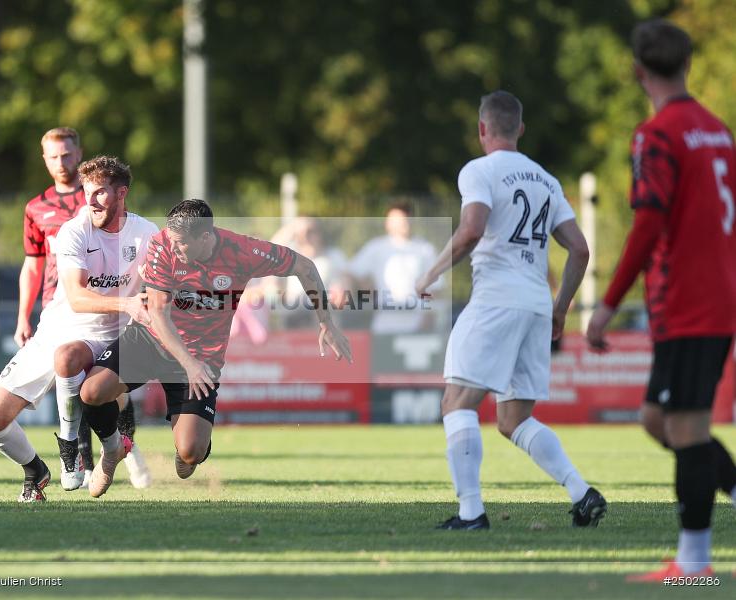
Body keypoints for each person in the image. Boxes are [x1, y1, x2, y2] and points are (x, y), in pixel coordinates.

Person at [586, 20, 736, 581]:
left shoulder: (659, 135)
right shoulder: (717, 131)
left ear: (637, 71)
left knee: (688, 429)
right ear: (688, 65)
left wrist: (607, 303)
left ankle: (694, 561)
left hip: (689, 302)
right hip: (716, 295)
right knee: (658, 420)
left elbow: (648, 225)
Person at [415, 90, 606, 530]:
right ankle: (582, 493)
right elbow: (579, 249)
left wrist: (430, 275)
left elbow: (471, 230)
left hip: (496, 300)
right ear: (520, 129)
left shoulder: (479, 170)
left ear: (482, 128)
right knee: (513, 418)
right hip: (536, 305)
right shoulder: (545, 179)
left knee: (456, 401)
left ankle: (471, 513)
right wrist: (561, 309)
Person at [78, 199, 353, 497]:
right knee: (91, 392)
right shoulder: (162, 245)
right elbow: (158, 314)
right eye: (172, 240)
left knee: (189, 456)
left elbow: (305, 266)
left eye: (182, 243)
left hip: (202, 355)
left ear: (205, 238)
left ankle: (187, 445)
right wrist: (189, 364)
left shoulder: (242, 252)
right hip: (151, 340)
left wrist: (326, 322)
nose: (174, 247)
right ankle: (113, 448)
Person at [0, 155, 157, 501]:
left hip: (111, 337)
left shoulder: (146, 233)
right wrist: (130, 303)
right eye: (87, 192)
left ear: (122, 194)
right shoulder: (74, 231)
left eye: (100, 193)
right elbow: (77, 297)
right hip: (57, 329)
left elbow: (165, 282)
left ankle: (83, 451)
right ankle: (36, 470)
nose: (90, 201)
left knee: (77, 366)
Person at [14, 128, 148, 491]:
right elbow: (33, 265)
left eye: (67, 154)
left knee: (111, 391)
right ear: (44, 159)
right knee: (73, 375)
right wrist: (23, 315)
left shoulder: (103, 202)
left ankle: (127, 450)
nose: (61, 162)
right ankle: (81, 459)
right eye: (53, 156)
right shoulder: (37, 209)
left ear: (79, 153)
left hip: (116, 313)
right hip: (67, 310)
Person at [349, 203, 439, 334]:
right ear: (388, 222)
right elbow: (352, 272)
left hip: (416, 322)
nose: (403, 223)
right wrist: (367, 291)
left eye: (405, 219)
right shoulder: (376, 247)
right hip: (384, 323)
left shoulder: (425, 249)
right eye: (397, 220)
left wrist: (428, 317)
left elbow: (435, 288)